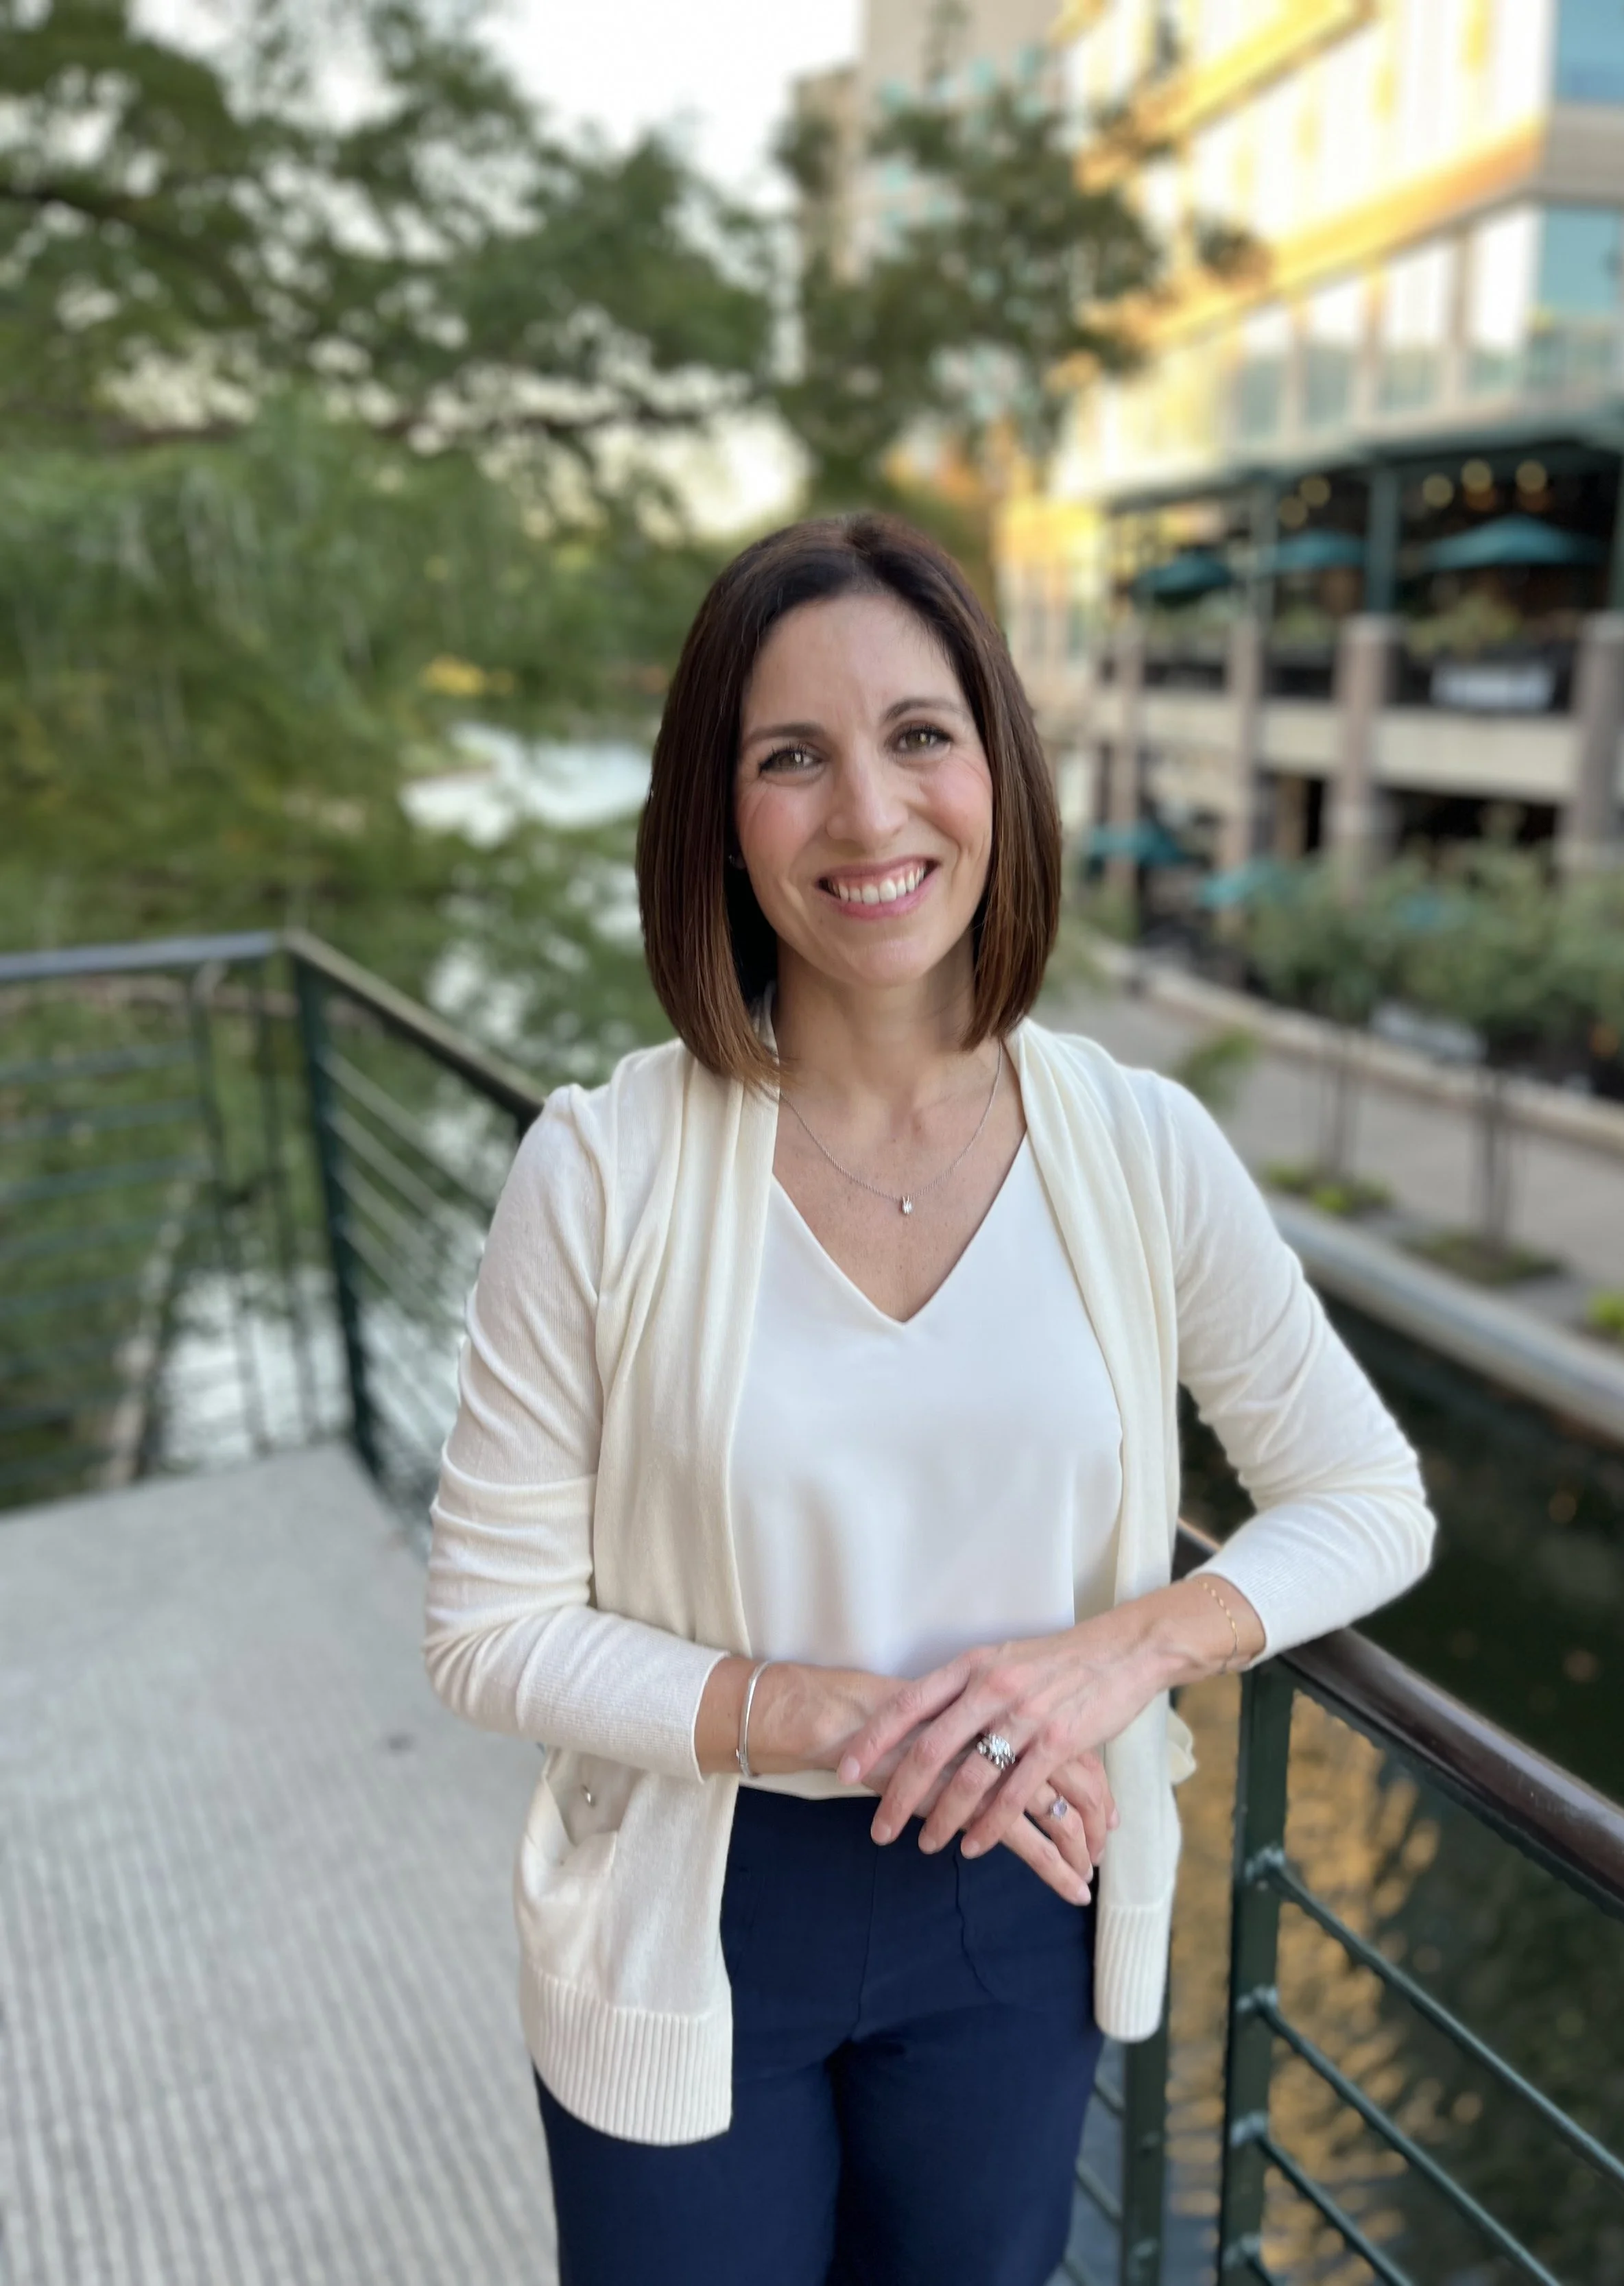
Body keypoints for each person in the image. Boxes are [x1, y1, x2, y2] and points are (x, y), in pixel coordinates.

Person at [424, 514, 1434, 2285]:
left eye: (917, 738)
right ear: (716, 820)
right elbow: (487, 1630)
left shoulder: (1138, 1145)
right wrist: (819, 1712)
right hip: (700, 1892)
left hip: (1018, 1907)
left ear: (1000, 772)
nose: (869, 816)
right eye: (789, 757)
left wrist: (1118, 1652)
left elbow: (1365, 1495)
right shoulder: (599, 1166)